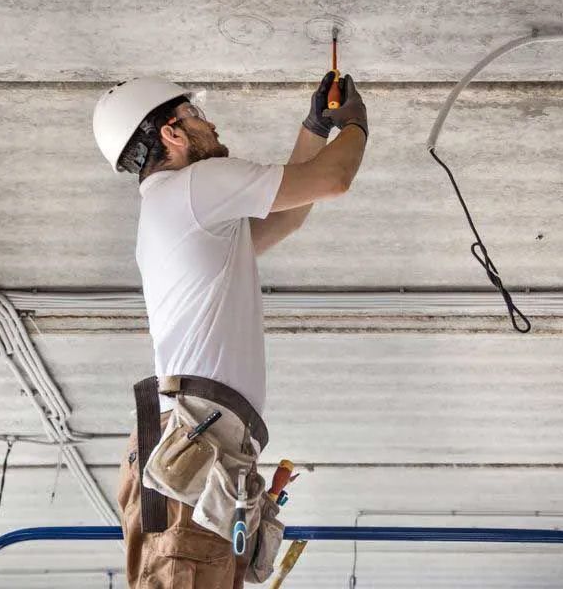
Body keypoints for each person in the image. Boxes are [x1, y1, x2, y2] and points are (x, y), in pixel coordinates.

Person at [91, 72, 368, 588]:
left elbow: (287, 216)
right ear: (172, 134)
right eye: (195, 114)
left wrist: (315, 130)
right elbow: (334, 179)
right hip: (195, 449)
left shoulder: (178, 209)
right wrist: (356, 125)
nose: (211, 124)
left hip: (197, 450)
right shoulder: (193, 187)